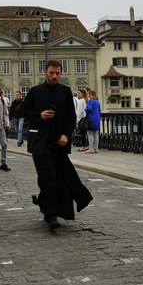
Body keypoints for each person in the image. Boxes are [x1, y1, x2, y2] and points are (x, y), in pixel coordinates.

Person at [23, 60, 93, 230]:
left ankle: (43, 202)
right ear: (45, 72)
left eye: (57, 73)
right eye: (51, 73)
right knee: (48, 177)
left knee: (60, 178)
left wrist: (65, 134)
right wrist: (40, 115)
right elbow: (22, 112)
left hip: (59, 143)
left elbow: (70, 117)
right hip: (40, 143)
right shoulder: (35, 91)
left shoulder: (65, 91)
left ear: (60, 74)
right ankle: (50, 215)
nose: (54, 76)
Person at [84, 89, 101, 154]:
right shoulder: (97, 101)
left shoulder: (91, 101)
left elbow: (89, 109)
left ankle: (91, 149)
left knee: (90, 134)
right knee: (96, 134)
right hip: (97, 119)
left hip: (91, 119)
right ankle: (96, 148)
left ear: (90, 94)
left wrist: (86, 108)